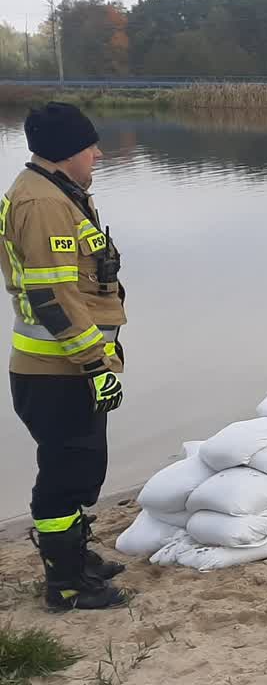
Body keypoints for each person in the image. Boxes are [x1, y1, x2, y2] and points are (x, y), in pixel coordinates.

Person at [6, 103, 129, 610]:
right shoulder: (43, 205)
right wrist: (95, 365)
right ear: (65, 151)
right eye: (90, 146)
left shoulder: (60, 192)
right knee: (62, 475)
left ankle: (78, 556)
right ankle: (67, 583)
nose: (97, 154)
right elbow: (51, 300)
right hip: (58, 369)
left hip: (71, 364)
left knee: (81, 468)